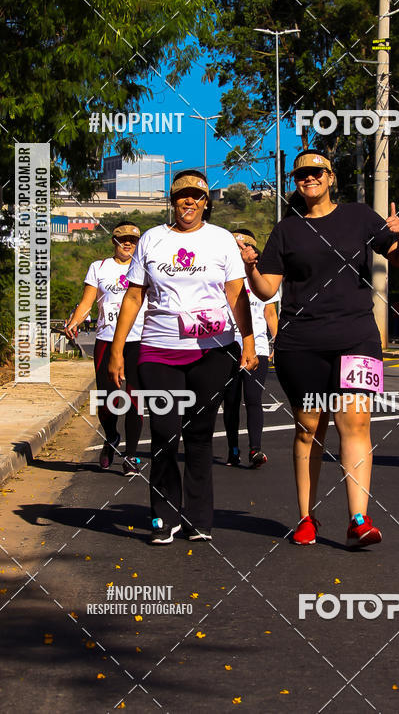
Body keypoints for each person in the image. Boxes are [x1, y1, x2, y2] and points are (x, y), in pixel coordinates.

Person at [238, 150, 399, 547]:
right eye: (302, 174)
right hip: (301, 345)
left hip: (357, 339)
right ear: (296, 182)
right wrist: (250, 267)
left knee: (356, 424)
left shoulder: (359, 216)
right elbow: (266, 289)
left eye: (317, 171)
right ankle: (306, 517)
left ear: (331, 177)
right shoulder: (287, 230)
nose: (310, 177)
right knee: (309, 429)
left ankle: (358, 519)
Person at [108, 170, 257, 545]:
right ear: (172, 201)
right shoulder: (152, 240)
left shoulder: (221, 240)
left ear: (206, 202)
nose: (189, 201)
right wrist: (117, 349)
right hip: (159, 350)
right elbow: (134, 296)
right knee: (164, 432)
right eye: (181, 195)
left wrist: (249, 341)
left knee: (199, 434)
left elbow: (236, 294)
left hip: (213, 351)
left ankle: (198, 518)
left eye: (196, 196)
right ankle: (163, 515)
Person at [65, 222, 145, 475]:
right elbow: (87, 302)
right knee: (108, 399)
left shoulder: (146, 267)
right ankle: (111, 436)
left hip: (138, 339)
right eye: (123, 239)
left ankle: (131, 455)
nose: (128, 243)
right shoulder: (99, 267)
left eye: (133, 240)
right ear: (114, 241)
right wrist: (75, 321)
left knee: (135, 398)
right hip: (107, 339)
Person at [223, 228, 279, 468]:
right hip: (228, 345)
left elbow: (270, 312)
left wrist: (277, 339)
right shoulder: (221, 274)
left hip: (258, 347)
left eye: (243, 246)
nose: (239, 250)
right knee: (231, 400)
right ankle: (233, 449)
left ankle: (255, 449)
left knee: (254, 398)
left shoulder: (263, 276)